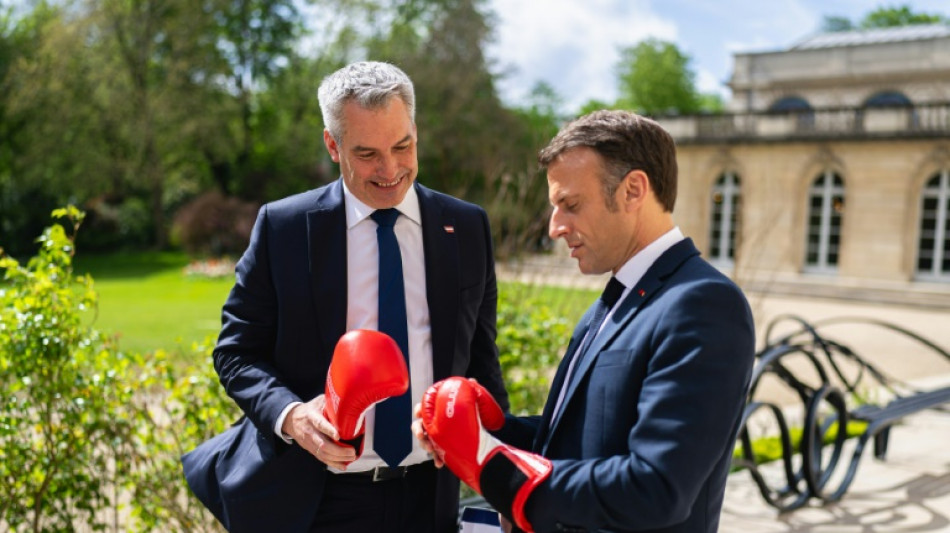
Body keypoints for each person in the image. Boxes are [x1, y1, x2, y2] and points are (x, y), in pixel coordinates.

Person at [181, 61, 509, 533]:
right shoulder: (285, 228)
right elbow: (236, 352)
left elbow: (482, 363)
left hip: (430, 497)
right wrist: (292, 416)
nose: (391, 169)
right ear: (332, 145)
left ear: (416, 130)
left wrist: (498, 476)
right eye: (367, 153)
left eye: (403, 145)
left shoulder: (467, 226)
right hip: (313, 499)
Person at [415, 110, 755, 532]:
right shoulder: (615, 298)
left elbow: (657, 487)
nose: (555, 227)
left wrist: (495, 468)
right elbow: (582, 441)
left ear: (633, 190)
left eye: (570, 205)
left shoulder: (704, 303)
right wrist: (496, 430)